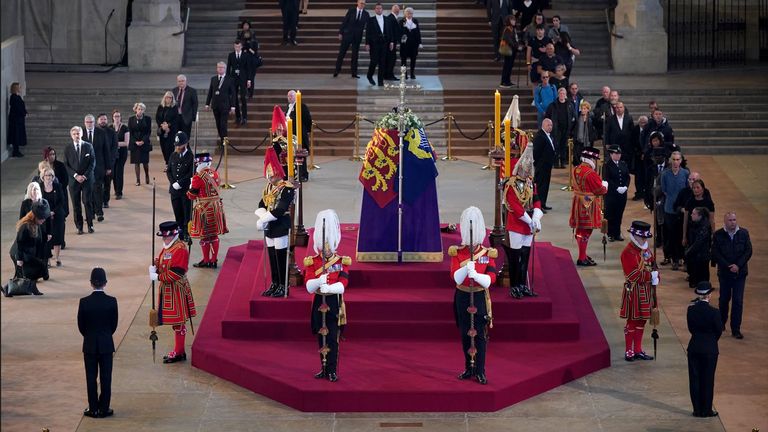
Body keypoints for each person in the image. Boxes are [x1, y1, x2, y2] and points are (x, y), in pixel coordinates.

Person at [449, 206, 497, 385]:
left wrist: (476, 275)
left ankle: (480, 370)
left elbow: (491, 278)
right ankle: (468, 368)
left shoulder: (486, 253)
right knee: (464, 334)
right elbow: (454, 276)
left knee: (480, 336)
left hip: (478, 297)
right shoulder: (457, 252)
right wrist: (464, 270)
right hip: (462, 297)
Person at [303, 209, 350, 382]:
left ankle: (332, 370)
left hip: (333, 303)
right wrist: (317, 282)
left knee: (332, 338)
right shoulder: (313, 261)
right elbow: (308, 285)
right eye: (325, 246)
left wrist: (329, 288)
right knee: (321, 337)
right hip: (318, 302)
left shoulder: (341, 261)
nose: (327, 249)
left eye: (329, 245)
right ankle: (322, 368)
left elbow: (343, 284)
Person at [148, 221, 197, 363]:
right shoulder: (168, 247)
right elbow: (163, 263)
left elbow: (177, 272)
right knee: (177, 323)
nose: (164, 239)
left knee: (179, 322)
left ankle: (179, 352)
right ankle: (179, 350)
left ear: (173, 235)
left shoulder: (180, 249)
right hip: (168, 289)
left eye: (165, 237)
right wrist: (155, 267)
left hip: (176, 289)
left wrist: (158, 276)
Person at [77, 267, 118, 419]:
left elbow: (81, 325)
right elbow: (113, 325)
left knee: (90, 377)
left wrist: (89, 336)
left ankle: (93, 408)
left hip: (89, 344)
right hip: (106, 344)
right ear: (105, 283)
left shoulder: (84, 302)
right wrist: (105, 335)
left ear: (91, 283)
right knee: (106, 377)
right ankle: (104, 408)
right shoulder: (112, 302)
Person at [503, 145, 543, 298]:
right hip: (516, 224)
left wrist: (536, 218)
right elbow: (515, 207)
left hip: (528, 225)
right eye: (525, 169)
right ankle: (514, 285)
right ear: (519, 168)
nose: (526, 172)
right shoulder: (510, 185)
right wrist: (529, 220)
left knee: (525, 256)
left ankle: (522, 284)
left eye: (528, 170)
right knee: (515, 257)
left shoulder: (531, 183)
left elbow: (537, 200)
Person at [256, 148, 296, 297]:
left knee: (281, 257)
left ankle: (283, 286)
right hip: (270, 226)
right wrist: (261, 216)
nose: (269, 179)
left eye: (270, 176)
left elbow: (280, 209)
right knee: (272, 256)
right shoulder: (268, 187)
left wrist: (264, 219)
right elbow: (261, 204)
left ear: (277, 174)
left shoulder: (286, 188)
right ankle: (274, 283)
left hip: (281, 225)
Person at [620, 220, 658, 362]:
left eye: (646, 237)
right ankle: (629, 349)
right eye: (642, 237)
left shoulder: (646, 251)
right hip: (634, 291)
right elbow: (633, 275)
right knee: (632, 320)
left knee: (641, 321)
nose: (644, 240)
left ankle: (638, 349)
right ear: (634, 236)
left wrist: (656, 275)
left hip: (646, 290)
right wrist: (651, 276)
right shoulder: (627, 252)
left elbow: (653, 265)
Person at [711, 211, 752, 339]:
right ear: (725, 221)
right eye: (730, 220)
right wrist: (728, 266)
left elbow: (748, 251)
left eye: (734, 220)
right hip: (724, 273)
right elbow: (716, 253)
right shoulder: (718, 235)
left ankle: (736, 329)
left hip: (740, 273)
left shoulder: (744, 233)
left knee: (738, 301)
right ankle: (721, 323)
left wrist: (738, 266)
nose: (732, 222)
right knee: (724, 299)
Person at [187, 152, 228, 268]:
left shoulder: (197, 177)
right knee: (214, 235)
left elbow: (191, 196)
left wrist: (190, 186)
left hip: (205, 209)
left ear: (199, 163)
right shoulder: (215, 174)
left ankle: (206, 260)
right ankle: (214, 260)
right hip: (216, 207)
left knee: (204, 236)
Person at [687, 281, 722, 418]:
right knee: (708, 379)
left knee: (695, 378)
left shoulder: (691, 310)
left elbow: (691, 328)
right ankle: (706, 410)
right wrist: (711, 341)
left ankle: (697, 409)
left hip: (694, 346)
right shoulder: (714, 312)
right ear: (709, 295)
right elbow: (718, 330)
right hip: (710, 349)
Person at [569, 146, 608, 266]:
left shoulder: (576, 169)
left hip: (578, 202)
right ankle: (582, 257)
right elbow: (600, 190)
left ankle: (583, 254)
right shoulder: (590, 173)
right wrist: (605, 185)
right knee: (586, 231)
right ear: (591, 159)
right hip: (588, 203)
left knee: (580, 230)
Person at [8, 201, 50, 294]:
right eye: (42, 218)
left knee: (36, 269)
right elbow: (20, 243)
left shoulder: (36, 224)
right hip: (19, 253)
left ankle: (32, 288)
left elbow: (39, 240)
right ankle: (9, 289)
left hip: (27, 252)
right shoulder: (25, 226)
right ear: (35, 217)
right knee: (26, 273)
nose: (44, 220)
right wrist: (19, 259)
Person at [660, 151, 689, 270]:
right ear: (670, 160)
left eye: (678, 159)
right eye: (674, 159)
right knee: (671, 235)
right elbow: (664, 190)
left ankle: (682, 257)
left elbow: (688, 189)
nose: (676, 162)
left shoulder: (686, 173)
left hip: (681, 210)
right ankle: (674, 259)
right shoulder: (665, 174)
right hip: (669, 209)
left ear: (681, 160)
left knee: (681, 234)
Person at [64, 126, 96, 234]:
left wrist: (85, 176)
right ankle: (79, 227)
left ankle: (90, 225)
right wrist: (76, 176)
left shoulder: (88, 146)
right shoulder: (67, 148)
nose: (76, 136)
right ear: (71, 135)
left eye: (78, 133)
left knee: (87, 202)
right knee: (76, 205)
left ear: (82, 134)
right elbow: (66, 165)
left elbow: (92, 163)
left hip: (87, 180)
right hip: (74, 181)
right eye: (74, 134)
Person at [83, 114, 112, 223]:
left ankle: (99, 212)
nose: (89, 124)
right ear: (85, 123)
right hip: (85, 168)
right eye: (87, 122)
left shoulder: (101, 133)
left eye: (91, 122)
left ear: (94, 123)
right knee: (88, 192)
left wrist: (108, 166)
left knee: (98, 189)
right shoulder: (81, 133)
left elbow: (106, 150)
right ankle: (90, 214)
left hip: (99, 166)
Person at [167, 132, 195, 243]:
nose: (178, 147)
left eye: (180, 145)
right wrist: (173, 182)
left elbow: (191, 174)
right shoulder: (173, 155)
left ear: (186, 144)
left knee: (186, 214)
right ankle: (180, 233)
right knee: (177, 213)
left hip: (185, 191)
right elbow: (169, 170)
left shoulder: (191, 157)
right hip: (174, 190)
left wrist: (181, 183)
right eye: (177, 145)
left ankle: (187, 233)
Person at [334, 0, 369, 78]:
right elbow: (345, 21)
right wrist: (341, 32)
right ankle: (337, 70)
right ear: (357, 3)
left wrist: (367, 42)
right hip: (347, 35)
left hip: (357, 37)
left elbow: (368, 28)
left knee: (355, 55)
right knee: (341, 53)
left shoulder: (366, 14)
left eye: (364, 3)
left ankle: (354, 73)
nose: (362, 5)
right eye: (361, 3)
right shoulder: (351, 11)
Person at [205, 62, 236, 144]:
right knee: (218, 124)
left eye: (222, 67)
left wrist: (233, 106)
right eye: (218, 67)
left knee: (223, 124)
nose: (220, 69)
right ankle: (222, 138)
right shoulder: (213, 79)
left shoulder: (230, 79)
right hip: (215, 105)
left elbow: (233, 94)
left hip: (225, 105)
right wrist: (207, 104)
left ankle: (224, 142)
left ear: (225, 69)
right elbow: (210, 92)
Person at [285, 90, 313, 182]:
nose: (289, 98)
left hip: (299, 134)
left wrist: (306, 131)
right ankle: (296, 172)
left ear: (296, 97)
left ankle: (304, 174)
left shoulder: (302, 106)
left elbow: (308, 119)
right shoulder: (288, 107)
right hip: (290, 135)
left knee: (301, 154)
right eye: (288, 96)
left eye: (291, 96)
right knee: (293, 155)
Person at [545, 87, 575, 169]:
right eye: (560, 93)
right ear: (558, 95)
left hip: (566, 128)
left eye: (563, 94)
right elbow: (547, 117)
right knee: (556, 146)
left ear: (565, 95)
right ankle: (555, 162)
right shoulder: (552, 105)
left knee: (564, 146)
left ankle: (562, 162)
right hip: (556, 129)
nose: (562, 95)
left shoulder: (569, 105)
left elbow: (573, 116)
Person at [603, 146, 629, 242]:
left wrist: (626, 187)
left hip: (622, 194)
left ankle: (617, 233)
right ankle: (610, 233)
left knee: (619, 213)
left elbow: (627, 177)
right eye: (616, 154)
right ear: (611, 154)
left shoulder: (623, 164)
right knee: (610, 214)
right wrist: (616, 188)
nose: (618, 155)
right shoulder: (607, 165)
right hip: (612, 194)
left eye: (619, 154)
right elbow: (607, 179)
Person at [41, 167, 65, 267]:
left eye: (50, 175)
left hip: (57, 215)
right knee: (46, 238)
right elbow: (39, 202)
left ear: (53, 177)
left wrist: (53, 212)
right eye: (47, 175)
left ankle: (57, 258)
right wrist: (47, 213)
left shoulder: (58, 186)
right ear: (43, 177)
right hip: (44, 217)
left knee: (57, 237)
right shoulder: (40, 187)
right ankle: (47, 260)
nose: (48, 177)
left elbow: (61, 201)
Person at [365, 3, 394, 87]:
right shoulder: (371, 20)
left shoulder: (387, 19)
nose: (379, 10)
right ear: (375, 10)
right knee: (374, 61)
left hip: (384, 44)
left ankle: (380, 82)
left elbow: (390, 31)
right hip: (374, 44)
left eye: (380, 8)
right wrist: (367, 43)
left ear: (382, 9)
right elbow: (368, 33)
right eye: (377, 8)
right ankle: (369, 76)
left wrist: (391, 42)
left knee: (382, 63)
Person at [227, 40, 253, 126]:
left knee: (243, 97)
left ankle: (244, 117)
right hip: (233, 79)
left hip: (243, 78)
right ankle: (238, 117)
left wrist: (249, 79)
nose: (237, 48)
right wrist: (227, 79)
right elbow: (228, 68)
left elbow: (249, 68)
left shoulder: (246, 55)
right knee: (234, 98)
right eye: (235, 47)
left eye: (238, 47)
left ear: (241, 47)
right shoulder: (231, 55)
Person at [685, 207, 712, 288]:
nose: (691, 215)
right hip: (696, 255)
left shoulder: (705, 226)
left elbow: (699, 242)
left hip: (701, 256)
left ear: (700, 216)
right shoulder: (694, 223)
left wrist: (689, 251)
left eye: (694, 214)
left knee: (702, 276)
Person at [532, 118, 555, 210]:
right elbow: (536, 152)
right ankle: (539, 206)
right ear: (543, 125)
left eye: (551, 125)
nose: (550, 127)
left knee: (545, 186)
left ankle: (543, 203)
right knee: (541, 186)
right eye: (548, 125)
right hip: (541, 166)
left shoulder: (548, 135)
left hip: (547, 166)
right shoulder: (540, 136)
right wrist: (538, 164)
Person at [128, 102, 152, 186]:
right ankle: (138, 179)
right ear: (135, 110)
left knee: (145, 162)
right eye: (139, 109)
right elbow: (130, 132)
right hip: (135, 143)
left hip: (144, 143)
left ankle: (147, 175)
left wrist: (143, 141)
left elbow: (148, 132)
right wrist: (135, 141)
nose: (140, 111)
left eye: (142, 109)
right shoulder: (131, 119)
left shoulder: (148, 119)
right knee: (136, 162)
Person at [97, 114, 118, 210]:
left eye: (105, 119)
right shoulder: (95, 132)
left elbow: (114, 148)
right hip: (98, 163)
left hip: (109, 163)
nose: (103, 121)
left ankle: (105, 201)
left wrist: (110, 164)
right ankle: (98, 201)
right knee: (97, 184)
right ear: (98, 121)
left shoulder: (112, 132)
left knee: (107, 183)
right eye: (101, 119)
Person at [109, 110, 130, 200]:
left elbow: (126, 143)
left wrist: (114, 144)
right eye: (115, 116)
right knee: (113, 173)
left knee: (119, 172)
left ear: (120, 117)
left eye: (118, 116)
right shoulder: (110, 127)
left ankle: (119, 192)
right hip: (112, 153)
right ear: (112, 117)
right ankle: (115, 190)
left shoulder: (125, 128)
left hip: (122, 153)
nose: (117, 118)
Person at [156, 91, 179, 166]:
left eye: (170, 97)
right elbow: (157, 118)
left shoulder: (174, 107)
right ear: (164, 98)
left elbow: (176, 119)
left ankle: (170, 163)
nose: (168, 99)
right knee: (163, 147)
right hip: (162, 129)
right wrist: (162, 125)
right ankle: (166, 162)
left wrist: (168, 126)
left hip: (171, 130)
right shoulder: (160, 106)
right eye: (167, 97)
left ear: (172, 99)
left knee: (170, 147)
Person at [399, 7, 423, 80]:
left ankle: (412, 74)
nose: (409, 15)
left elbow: (418, 32)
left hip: (413, 44)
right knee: (403, 61)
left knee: (413, 60)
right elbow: (399, 32)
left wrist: (420, 43)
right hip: (404, 44)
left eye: (411, 13)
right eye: (408, 13)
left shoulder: (415, 21)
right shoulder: (401, 21)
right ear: (405, 13)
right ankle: (404, 75)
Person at [499, 15, 522, 88]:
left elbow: (516, 38)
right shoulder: (507, 29)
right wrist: (516, 46)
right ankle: (503, 81)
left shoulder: (513, 29)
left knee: (510, 66)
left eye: (514, 20)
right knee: (507, 66)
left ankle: (508, 81)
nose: (513, 21)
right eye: (512, 20)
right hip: (508, 49)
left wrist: (517, 45)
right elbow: (508, 39)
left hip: (513, 50)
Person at [572, 100, 595, 167]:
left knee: (587, 159)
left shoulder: (591, 118)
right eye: (582, 108)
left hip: (588, 142)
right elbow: (573, 128)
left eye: (584, 108)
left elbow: (592, 130)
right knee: (577, 158)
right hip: (578, 141)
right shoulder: (578, 117)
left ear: (588, 109)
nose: (583, 110)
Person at [631, 115, 649, 201]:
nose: (643, 124)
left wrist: (645, 153)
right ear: (639, 123)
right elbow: (632, 142)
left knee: (646, 175)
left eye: (645, 123)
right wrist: (639, 154)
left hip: (647, 157)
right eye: (642, 123)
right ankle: (639, 193)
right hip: (637, 157)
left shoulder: (649, 130)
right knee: (638, 176)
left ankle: (646, 193)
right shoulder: (635, 130)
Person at [8, 82, 27, 157]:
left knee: (17, 135)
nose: (20, 88)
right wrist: (23, 113)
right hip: (15, 120)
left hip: (19, 119)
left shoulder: (17, 96)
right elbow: (17, 108)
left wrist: (25, 112)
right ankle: (15, 151)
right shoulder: (13, 97)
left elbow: (21, 106)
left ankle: (16, 151)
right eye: (19, 87)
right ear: (16, 88)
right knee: (15, 135)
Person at [384, 4, 401, 80]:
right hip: (391, 43)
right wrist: (392, 42)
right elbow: (390, 31)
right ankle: (389, 75)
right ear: (393, 10)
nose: (398, 11)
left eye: (398, 9)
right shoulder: (391, 18)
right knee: (391, 59)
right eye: (397, 9)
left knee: (390, 59)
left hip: (392, 42)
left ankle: (387, 75)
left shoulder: (392, 17)